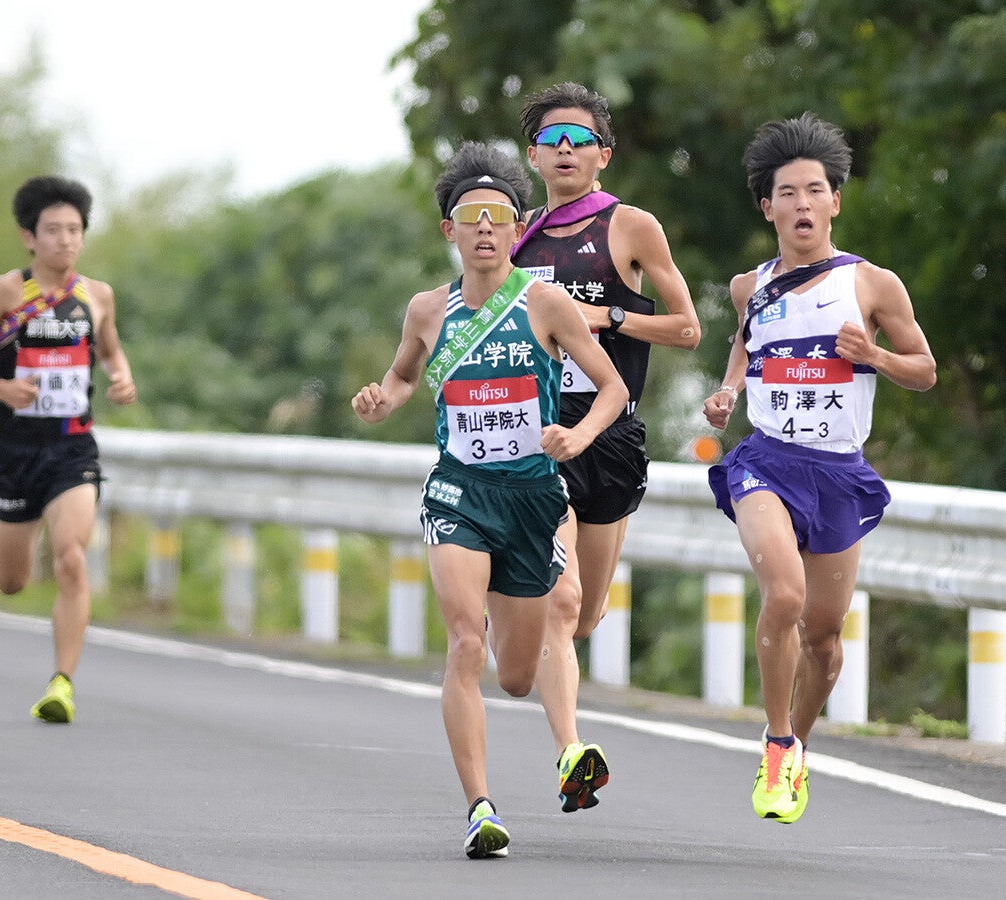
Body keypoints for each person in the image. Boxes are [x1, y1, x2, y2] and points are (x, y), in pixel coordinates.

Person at [351, 141, 627, 859]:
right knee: (466, 643)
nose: (482, 229)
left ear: (516, 228)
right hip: (459, 492)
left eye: (497, 217)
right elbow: (405, 377)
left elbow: (613, 389)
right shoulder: (426, 310)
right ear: (449, 230)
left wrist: (578, 434)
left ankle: (560, 747)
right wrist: (384, 399)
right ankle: (480, 807)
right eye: (468, 217)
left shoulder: (546, 302)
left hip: (532, 497)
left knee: (513, 673)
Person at [703, 113, 936, 823]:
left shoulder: (871, 285)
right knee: (784, 597)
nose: (802, 204)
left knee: (825, 640)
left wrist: (875, 358)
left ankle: (797, 748)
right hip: (767, 461)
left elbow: (924, 371)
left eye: (815, 190)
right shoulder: (751, 287)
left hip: (837, 471)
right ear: (766, 206)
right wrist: (728, 392)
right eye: (787, 192)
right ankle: (775, 747)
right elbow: (746, 349)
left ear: (835, 200)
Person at [511, 82, 701, 812]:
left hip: (611, 429)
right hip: (537, 433)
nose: (565, 150)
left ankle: (531, 644)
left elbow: (686, 327)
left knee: (583, 613)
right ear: (532, 155)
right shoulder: (516, 233)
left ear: (603, 154)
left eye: (578, 139)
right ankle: (570, 753)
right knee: (561, 599)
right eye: (551, 140)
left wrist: (607, 317)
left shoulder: (629, 226)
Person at [0, 176, 136, 724]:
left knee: (72, 557)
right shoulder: (8, 291)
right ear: (29, 237)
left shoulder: (96, 296)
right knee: (10, 582)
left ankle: (62, 683)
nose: (65, 241)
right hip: (15, 450)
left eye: (74, 230)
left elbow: (113, 353)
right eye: (53, 230)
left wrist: (121, 378)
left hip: (73, 448)